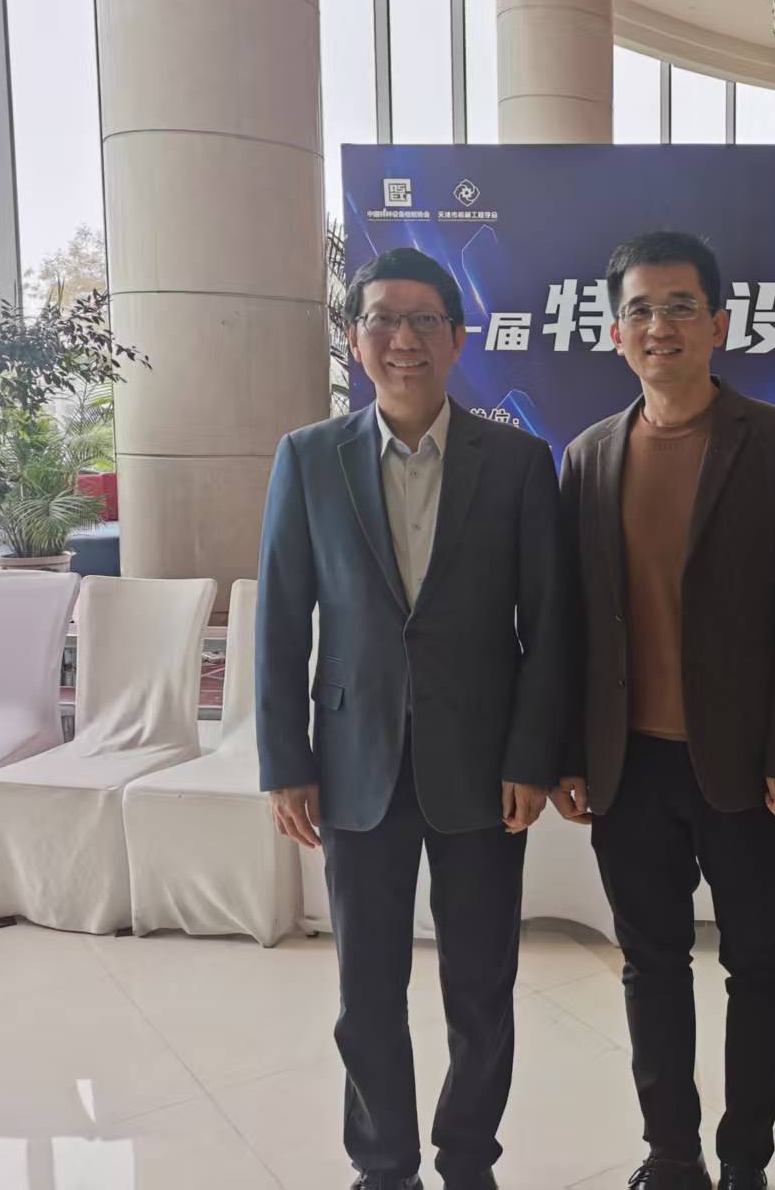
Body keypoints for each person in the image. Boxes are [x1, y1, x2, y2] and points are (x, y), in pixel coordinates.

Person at [256, 246, 570, 1190]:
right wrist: (284, 761)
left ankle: (469, 1160)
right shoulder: (309, 459)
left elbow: (550, 624)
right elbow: (281, 619)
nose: (404, 338)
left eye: (424, 319)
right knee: (366, 990)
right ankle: (382, 1163)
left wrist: (533, 756)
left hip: (483, 765)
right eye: (383, 319)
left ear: (457, 338)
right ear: (355, 339)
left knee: (481, 986)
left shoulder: (516, 462)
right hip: (354, 763)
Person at [553, 231, 775, 1190]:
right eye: (639, 308)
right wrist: (569, 752)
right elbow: (573, 624)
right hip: (628, 765)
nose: (659, 325)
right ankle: (671, 1154)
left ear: (719, 323)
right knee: (651, 963)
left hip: (749, 766)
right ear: (614, 331)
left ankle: (745, 1161)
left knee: (758, 966)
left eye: (680, 306)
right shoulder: (589, 456)